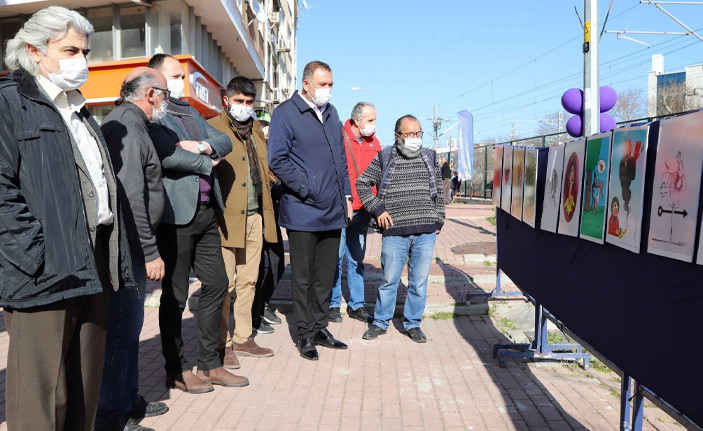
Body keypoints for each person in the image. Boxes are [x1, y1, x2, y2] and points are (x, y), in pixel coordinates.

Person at [0, 7, 135, 430]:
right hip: (42, 268)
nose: (82, 59)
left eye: (85, 50)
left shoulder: (78, 109)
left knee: (83, 390)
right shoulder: (9, 103)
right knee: (39, 399)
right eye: (70, 49)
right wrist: (36, 253)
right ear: (33, 51)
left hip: (94, 260)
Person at [147, 54, 245, 392]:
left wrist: (201, 145)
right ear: (155, 79)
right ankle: (175, 369)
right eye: (175, 76)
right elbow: (168, 155)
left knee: (218, 283)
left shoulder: (188, 111)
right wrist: (206, 162)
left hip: (205, 212)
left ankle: (209, 364)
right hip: (175, 218)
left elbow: (224, 141)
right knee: (174, 297)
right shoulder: (154, 115)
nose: (181, 82)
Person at [96, 68, 171, 431]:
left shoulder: (134, 123)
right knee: (121, 332)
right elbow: (129, 200)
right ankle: (111, 416)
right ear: (151, 93)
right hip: (127, 250)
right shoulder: (124, 125)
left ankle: (128, 400)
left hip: (132, 248)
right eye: (166, 94)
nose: (167, 103)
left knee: (130, 329)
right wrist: (150, 251)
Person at [268, 60, 351, 361]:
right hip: (303, 210)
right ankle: (304, 334)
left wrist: (347, 197)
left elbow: (340, 160)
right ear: (306, 84)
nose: (327, 90)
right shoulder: (285, 113)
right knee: (303, 277)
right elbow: (277, 160)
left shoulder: (332, 113)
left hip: (333, 210)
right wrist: (307, 188)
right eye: (322, 84)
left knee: (325, 275)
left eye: (330, 84)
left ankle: (319, 327)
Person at [357, 115, 445, 343]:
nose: (415, 138)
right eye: (410, 134)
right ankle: (380, 322)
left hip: (425, 231)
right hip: (395, 232)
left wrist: (439, 220)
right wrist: (378, 210)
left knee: (419, 282)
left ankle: (413, 323)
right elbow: (362, 184)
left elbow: (439, 193)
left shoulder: (431, 156)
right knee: (389, 280)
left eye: (418, 134)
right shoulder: (385, 157)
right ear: (397, 136)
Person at [208, 76, 276, 370]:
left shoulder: (257, 131)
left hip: (254, 217)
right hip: (224, 220)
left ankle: (243, 338)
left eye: (249, 102)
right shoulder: (211, 127)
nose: (245, 107)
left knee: (249, 281)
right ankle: (221, 346)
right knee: (225, 285)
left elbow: (264, 169)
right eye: (239, 101)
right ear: (226, 100)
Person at [329, 102, 381, 323]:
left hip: (362, 212)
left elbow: (379, 178)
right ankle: (332, 304)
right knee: (334, 258)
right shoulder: (339, 137)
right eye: (370, 120)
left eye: (374, 120)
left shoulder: (375, 143)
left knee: (356, 259)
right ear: (357, 120)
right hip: (339, 208)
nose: (374, 126)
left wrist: (377, 207)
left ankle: (357, 305)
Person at [251, 119, 286, 334]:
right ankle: (254, 316)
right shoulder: (256, 163)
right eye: (263, 136)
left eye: (269, 137)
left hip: (272, 224)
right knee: (260, 269)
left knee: (278, 265)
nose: (267, 140)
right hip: (257, 223)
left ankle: (263, 305)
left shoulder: (275, 162)